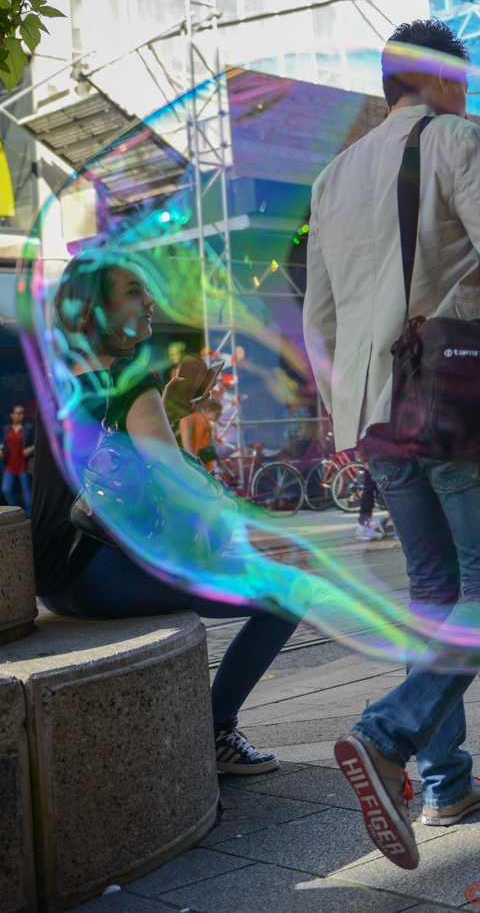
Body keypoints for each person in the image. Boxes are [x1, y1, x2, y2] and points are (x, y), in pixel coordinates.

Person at [303, 18, 480, 870]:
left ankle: (447, 782)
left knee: (432, 588)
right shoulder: (453, 139)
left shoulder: (333, 176)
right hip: (450, 391)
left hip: (372, 410)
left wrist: (343, 421)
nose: (466, 94)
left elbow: (319, 317)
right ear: (436, 79)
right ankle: (388, 735)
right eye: (461, 79)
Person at [32, 251, 300, 774]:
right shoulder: (131, 377)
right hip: (103, 574)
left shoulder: (59, 379)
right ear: (95, 312)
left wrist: (171, 407)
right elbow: (177, 485)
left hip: (55, 579)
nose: (150, 301)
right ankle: (218, 730)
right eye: (133, 291)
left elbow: (115, 464)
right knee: (288, 594)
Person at [1, 404, 35, 516]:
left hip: (23, 464)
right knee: (6, 489)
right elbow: (3, 443)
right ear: (12, 415)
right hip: (10, 464)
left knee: (27, 493)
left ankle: (28, 516)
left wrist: (31, 448)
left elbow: (38, 442)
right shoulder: (7, 428)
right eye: (18, 413)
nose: (22, 415)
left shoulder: (28, 427)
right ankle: (17, 512)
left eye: (23, 413)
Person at [180, 395, 223, 471]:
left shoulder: (202, 414)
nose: (208, 398)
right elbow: (186, 441)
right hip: (198, 463)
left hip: (207, 463)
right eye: (205, 394)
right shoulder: (189, 416)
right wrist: (194, 464)